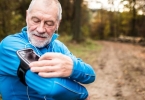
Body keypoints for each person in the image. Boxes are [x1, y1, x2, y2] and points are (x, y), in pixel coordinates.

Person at [0, 0, 96, 100]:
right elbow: (52, 87)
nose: (40, 29)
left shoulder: (59, 46)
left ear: (58, 23)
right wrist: (84, 94)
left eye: (49, 23)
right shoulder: (10, 45)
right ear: (27, 16)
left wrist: (73, 67)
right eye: (36, 20)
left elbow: (90, 75)